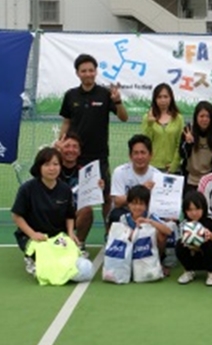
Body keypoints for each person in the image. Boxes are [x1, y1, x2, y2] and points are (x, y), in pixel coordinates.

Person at [59, 53, 128, 224]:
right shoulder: (71, 95)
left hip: (99, 156)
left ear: (96, 72)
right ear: (77, 73)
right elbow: (67, 121)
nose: (88, 74)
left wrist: (118, 102)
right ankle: (70, 233)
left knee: (106, 197)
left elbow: (124, 118)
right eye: (84, 71)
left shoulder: (105, 94)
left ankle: (109, 232)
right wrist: (61, 143)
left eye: (91, 70)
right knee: (76, 197)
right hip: (75, 156)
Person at [11, 147, 78, 275]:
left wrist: (70, 233)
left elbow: (70, 215)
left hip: (57, 236)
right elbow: (17, 216)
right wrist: (33, 234)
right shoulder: (27, 189)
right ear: (39, 167)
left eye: (55, 164)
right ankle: (30, 257)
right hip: (33, 237)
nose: (52, 168)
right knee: (46, 265)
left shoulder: (65, 189)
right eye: (47, 164)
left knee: (69, 263)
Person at [57, 132, 100, 256]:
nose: (71, 150)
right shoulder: (52, 168)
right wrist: (54, 149)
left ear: (80, 151)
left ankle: (79, 244)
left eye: (75, 147)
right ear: (61, 148)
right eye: (67, 146)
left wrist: (98, 188)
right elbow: (35, 171)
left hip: (74, 214)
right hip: (53, 213)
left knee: (87, 210)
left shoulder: (86, 172)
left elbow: (93, 197)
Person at [118, 185, 172, 275]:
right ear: (129, 204)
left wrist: (149, 222)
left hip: (148, 251)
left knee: (161, 234)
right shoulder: (124, 219)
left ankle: (158, 263)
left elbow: (168, 231)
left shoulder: (150, 216)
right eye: (134, 203)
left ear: (147, 205)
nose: (137, 207)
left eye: (141, 204)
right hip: (131, 251)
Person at [176, 191, 212, 287]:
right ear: (185, 211)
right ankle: (189, 271)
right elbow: (184, 242)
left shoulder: (211, 219)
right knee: (179, 244)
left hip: (211, 254)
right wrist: (193, 243)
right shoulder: (184, 224)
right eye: (190, 210)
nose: (194, 213)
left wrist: (209, 235)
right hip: (194, 254)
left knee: (209, 244)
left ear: (204, 208)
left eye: (197, 209)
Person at [110, 134, 160, 226]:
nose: (139, 157)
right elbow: (118, 202)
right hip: (126, 210)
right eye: (136, 153)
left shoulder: (158, 175)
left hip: (147, 212)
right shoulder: (119, 172)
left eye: (143, 152)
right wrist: (141, 189)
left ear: (150, 155)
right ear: (130, 155)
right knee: (115, 215)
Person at [180, 101, 212, 195]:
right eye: (201, 116)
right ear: (196, 117)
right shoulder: (188, 131)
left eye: (208, 116)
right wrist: (188, 143)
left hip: (209, 178)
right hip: (191, 178)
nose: (204, 119)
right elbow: (182, 155)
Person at [142, 83, 184, 173]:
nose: (163, 100)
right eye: (159, 97)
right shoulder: (147, 117)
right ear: (155, 99)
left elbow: (180, 143)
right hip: (152, 167)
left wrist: (174, 163)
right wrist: (150, 124)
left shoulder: (178, 118)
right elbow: (145, 142)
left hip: (171, 168)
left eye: (166, 97)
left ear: (171, 98)